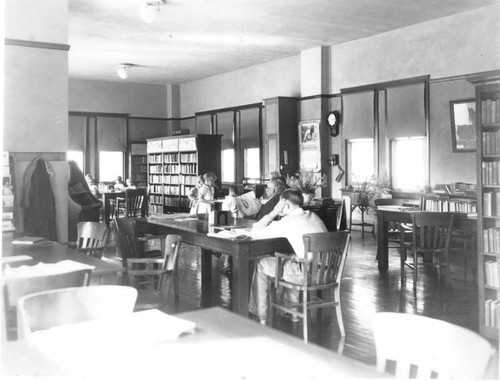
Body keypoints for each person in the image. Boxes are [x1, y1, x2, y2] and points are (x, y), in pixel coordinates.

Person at [248, 189, 327, 325]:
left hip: (305, 275)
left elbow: (254, 232)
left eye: (280, 204)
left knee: (262, 263)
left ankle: (260, 315)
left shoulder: (288, 222)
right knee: (290, 258)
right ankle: (292, 312)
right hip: (325, 274)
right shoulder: (314, 216)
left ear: (286, 204)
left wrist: (273, 213)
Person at [219, 185, 241, 274]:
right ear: (233, 192)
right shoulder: (234, 200)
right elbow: (235, 210)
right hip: (233, 220)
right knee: (232, 243)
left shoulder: (226, 199)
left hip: (226, 220)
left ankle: (226, 263)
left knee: (227, 242)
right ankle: (227, 264)